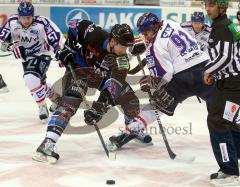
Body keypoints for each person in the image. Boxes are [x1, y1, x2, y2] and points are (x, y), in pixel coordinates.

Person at [32, 19, 152, 164]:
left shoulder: (122, 61)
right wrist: (68, 48)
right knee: (69, 104)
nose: (124, 51)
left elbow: (113, 88)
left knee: (130, 100)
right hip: (79, 69)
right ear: (112, 41)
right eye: (122, 46)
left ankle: (133, 128)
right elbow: (74, 24)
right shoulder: (95, 34)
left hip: (100, 77)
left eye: (127, 47)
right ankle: (48, 143)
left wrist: (98, 109)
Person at [107, 12, 215, 152]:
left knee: (155, 106)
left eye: (146, 33)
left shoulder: (155, 46)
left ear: (155, 26)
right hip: (205, 69)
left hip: (183, 78)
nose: (145, 36)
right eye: (142, 33)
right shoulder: (170, 23)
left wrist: (151, 82)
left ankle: (128, 133)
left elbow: (166, 75)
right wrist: (141, 42)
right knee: (222, 105)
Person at [0, 2, 64, 122]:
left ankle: (42, 106)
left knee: (30, 78)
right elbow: (2, 41)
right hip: (26, 58)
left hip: (42, 54)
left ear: (33, 15)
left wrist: (59, 50)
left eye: (29, 17)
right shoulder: (11, 22)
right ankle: (57, 100)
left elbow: (56, 37)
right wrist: (11, 46)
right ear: (19, 16)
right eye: (23, 17)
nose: (26, 20)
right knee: (39, 83)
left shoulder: (42, 22)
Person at [204, 0, 240, 186]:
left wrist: (209, 70)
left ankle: (230, 169)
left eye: (211, 5)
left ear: (222, 7)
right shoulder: (225, 24)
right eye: (206, 5)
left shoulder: (222, 27)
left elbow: (225, 57)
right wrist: (215, 73)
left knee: (217, 122)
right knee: (228, 121)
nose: (207, 9)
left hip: (231, 84)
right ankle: (234, 159)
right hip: (230, 82)